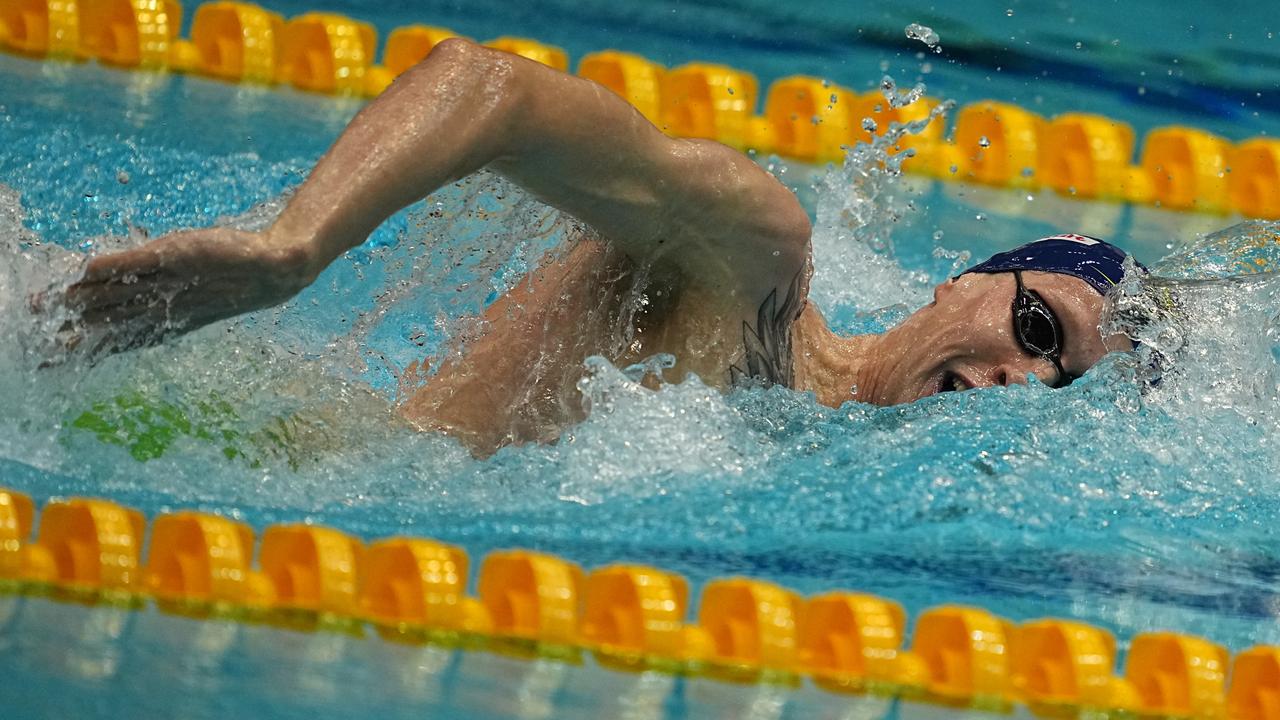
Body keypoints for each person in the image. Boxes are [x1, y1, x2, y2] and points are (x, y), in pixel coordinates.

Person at [59, 38, 1137, 455]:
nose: (1015, 380)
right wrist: (292, 249)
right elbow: (497, 88)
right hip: (224, 448)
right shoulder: (752, 268)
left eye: (1053, 382)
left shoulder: (818, 450)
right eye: (1035, 326)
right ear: (963, 282)